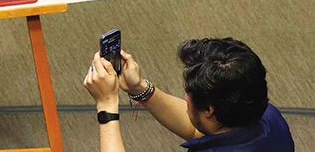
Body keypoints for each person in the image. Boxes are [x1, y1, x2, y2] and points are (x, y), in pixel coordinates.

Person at [84, 37, 295, 151]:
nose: (185, 98)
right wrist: (139, 88)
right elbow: (198, 130)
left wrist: (107, 105)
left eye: (188, 93)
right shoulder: (269, 117)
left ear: (209, 110)